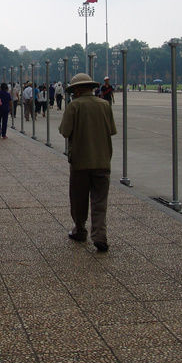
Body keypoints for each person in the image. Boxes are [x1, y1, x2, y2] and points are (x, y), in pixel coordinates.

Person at [58, 73, 117, 253]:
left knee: (78, 199)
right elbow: (112, 130)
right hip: (102, 159)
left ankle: (80, 229)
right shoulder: (104, 105)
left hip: (80, 161)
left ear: (76, 89)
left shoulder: (74, 106)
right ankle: (100, 235)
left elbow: (65, 131)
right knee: (100, 201)